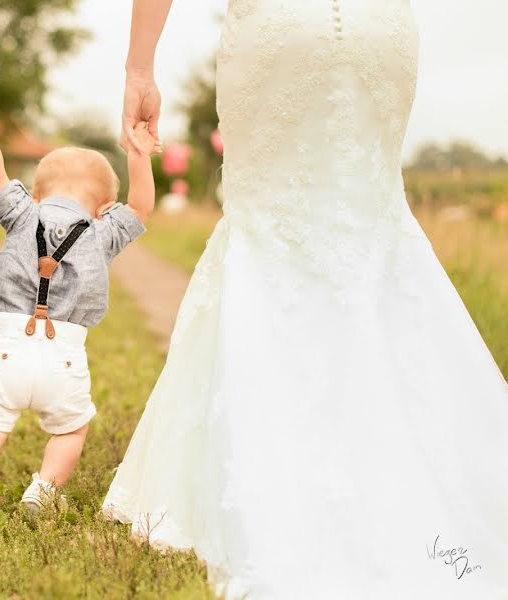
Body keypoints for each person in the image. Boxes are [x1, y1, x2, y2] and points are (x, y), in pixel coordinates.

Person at [104, 1, 508, 599]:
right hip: (382, 28)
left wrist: (139, 71)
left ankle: (296, 455)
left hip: (281, 26)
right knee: (371, 219)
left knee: (270, 221)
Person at [0, 92, 159, 532]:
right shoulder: (104, 232)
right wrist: (138, 154)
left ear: (37, 192)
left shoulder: (23, 213)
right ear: (105, 207)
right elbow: (141, 206)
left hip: (5, 346)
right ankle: (43, 491)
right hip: (63, 356)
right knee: (70, 430)